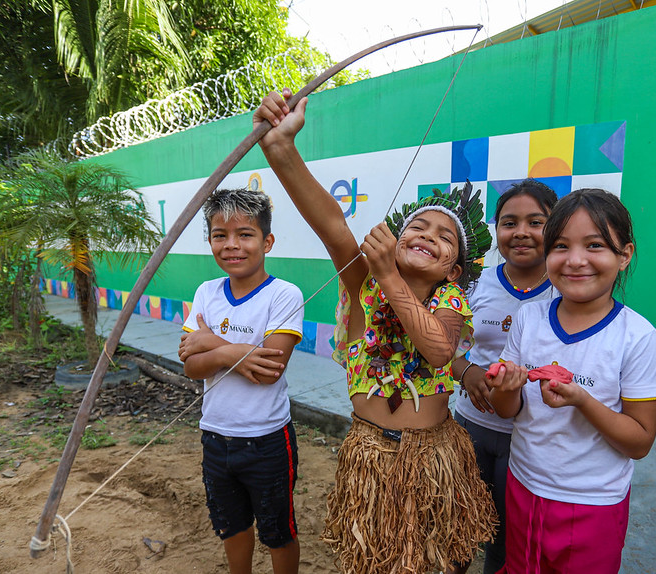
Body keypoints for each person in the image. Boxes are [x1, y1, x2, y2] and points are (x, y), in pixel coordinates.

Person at [254, 89, 497, 574]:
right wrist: (280, 149)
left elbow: (437, 349)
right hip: (371, 455)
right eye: (417, 227)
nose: (427, 234)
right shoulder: (364, 284)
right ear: (395, 236)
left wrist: (390, 275)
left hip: (435, 459)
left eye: (444, 236)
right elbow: (330, 221)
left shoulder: (452, 303)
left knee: (442, 562)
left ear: (454, 270)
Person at [487, 188, 656, 573]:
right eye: (561, 246)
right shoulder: (529, 319)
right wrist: (506, 389)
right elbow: (508, 412)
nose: (575, 260)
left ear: (625, 256)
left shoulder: (637, 339)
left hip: (592, 503)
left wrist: (582, 400)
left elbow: (639, 442)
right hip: (524, 485)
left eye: (595, 245)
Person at [178, 187, 304, 574]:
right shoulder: (206, 292)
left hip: (266, 439)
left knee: (277, 531)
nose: (231, 245)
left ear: (266, 241)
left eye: (245, 234)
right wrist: (237, 353)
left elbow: (269, 371)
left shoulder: (283, 294)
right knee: (231, 525)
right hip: (215, 435)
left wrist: (214, 347)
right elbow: (190, 367)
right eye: (220, 235)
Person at [451, 179, 558, 574]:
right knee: (457, 527)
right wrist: (467, 372)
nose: (521, 233)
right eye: (509, 222)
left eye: (536, 222)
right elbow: (444, 353)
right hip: (470, 427)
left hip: (529, 439)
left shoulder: (568, 291)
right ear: (496, 230)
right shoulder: (477, 282)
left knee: (506, 538)